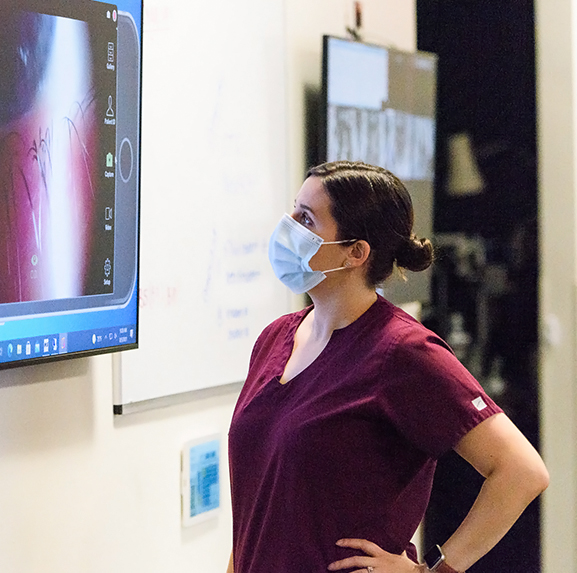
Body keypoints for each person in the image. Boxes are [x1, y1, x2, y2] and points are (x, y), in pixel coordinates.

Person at [226, 161, 549, 573]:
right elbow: (255, 506)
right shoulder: (274, 339)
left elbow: (521, 471)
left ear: (355, 253)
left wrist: (431, 571)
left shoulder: (402, 352)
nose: (287, 227)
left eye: (305, 219)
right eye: (293, 211)